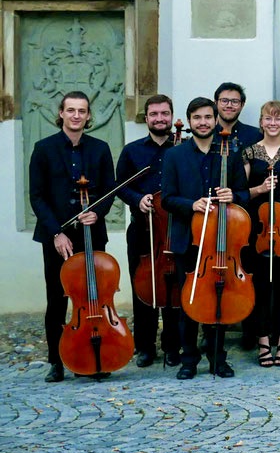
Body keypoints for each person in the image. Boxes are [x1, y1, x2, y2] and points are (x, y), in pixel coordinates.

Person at [29, 91, 117, 383]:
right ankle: (57, 361)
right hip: (57, 237)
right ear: (62, 113)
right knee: (57, 299)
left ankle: (96, 356)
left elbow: (108, 189)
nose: (77, 115)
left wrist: (98, 212)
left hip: (91, 234)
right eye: (71, 110)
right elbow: (38, 197)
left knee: (94, 297)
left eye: (82, 111)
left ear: (89, 116)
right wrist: (56, 232)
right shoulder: (43, 149)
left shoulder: (100, 148)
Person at [160, 96, 249, 379]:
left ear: (215, 120)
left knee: (219, 299)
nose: (203, 122)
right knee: (191, 301)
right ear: (189, 121)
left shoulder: (229, 154)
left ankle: (217, 358)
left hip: (223, 241)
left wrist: (233, 195)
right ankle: (189, 359)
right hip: (190, 238)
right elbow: (167, 199)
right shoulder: (175, 156)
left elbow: (244, 194)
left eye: (208, 117)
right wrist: (191, 205)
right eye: (197, 118)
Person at [115, 94, 179, 368]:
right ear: (146, 118)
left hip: (175, 229)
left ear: (171, 115)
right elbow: (120, 186)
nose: (160, 119)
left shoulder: (182, 149)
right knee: (144, 287)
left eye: (165, 113)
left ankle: (173, 345)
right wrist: (137, 199)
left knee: (175, 286)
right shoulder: (132, 151)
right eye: (154, 114)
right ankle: (145, 346)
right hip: (142, 227)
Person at [242, 101, 280, 368]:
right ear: (261, 121)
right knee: (259, 288)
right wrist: (259, 188)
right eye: (268, 118)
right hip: (256, 231)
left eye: (278, 119)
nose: (273, 123)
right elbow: (240, 193)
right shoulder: (248, 153)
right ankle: (263, 340)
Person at [213, 82, 263, 151]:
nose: (229, 105)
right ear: (216, 103)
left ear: (242, 105)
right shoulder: (206, 135)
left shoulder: (256, 136)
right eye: (224, 101)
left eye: (235, 101)